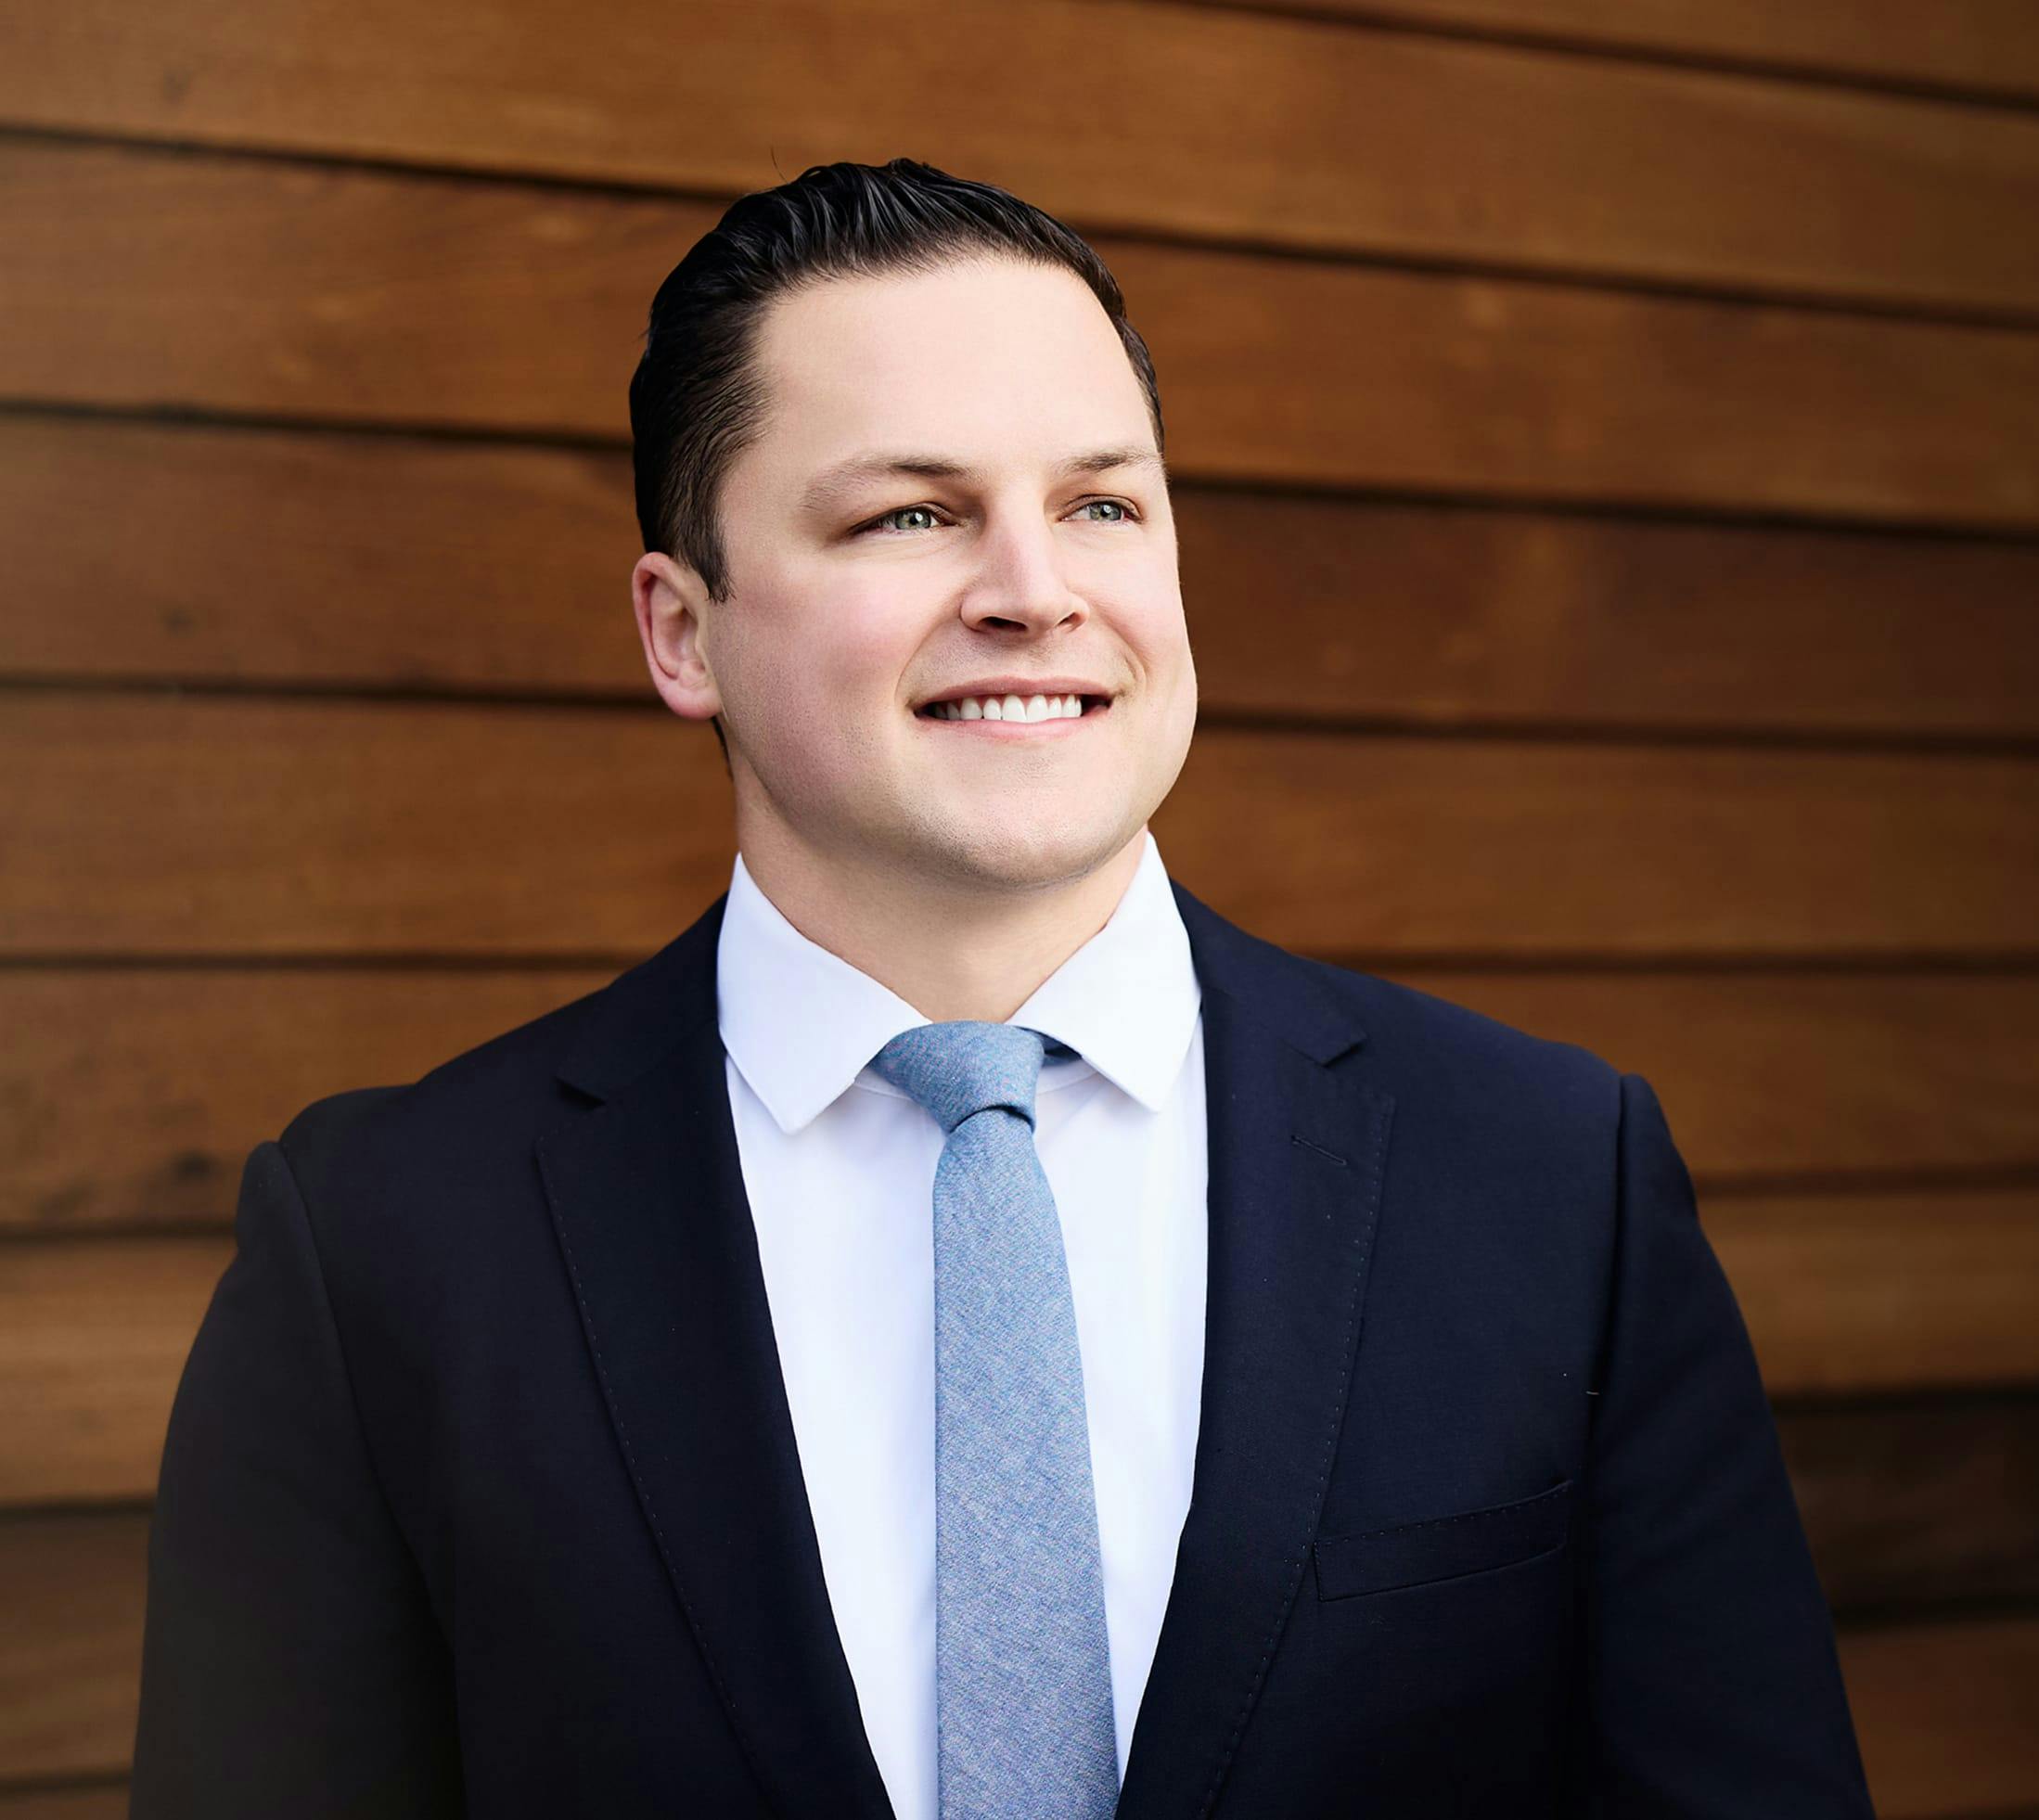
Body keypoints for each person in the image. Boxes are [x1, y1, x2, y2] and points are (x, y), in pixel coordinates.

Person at [131, 158, 1874, 1818]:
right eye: (912, 512)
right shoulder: (380, 1247)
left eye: (1099, 503)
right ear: (683, 631)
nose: (1035, 594)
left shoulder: (1555, 1178)